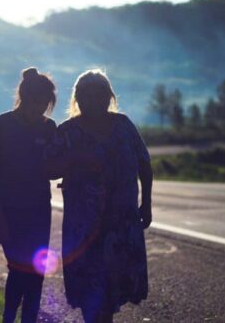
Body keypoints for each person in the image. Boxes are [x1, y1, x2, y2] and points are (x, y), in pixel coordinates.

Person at [48, 69, 152, 323]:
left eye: (101, 94)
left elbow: (144, 163)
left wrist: (146, 203)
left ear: (109, 97)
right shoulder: (67, 132)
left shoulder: (124, 125)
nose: (95, 99)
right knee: (91, 292)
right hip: (85, 227)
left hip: (121, 222)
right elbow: (50, 169)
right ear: (78, 98)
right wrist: (76, 159)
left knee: (113, 289)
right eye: (89, 94)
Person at [0, 67, 58, 323]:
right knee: (18, 270)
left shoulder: (50, 128)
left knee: (36, 272)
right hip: (10, 211)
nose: (40, 108)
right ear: (24, 97)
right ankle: (8, 317)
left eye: (45, 103)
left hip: (40, 211)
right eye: (36, 101)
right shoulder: (0, 125)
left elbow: (52, 170)